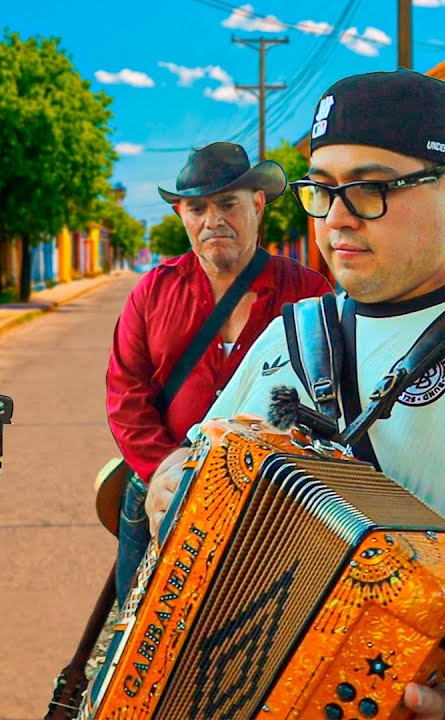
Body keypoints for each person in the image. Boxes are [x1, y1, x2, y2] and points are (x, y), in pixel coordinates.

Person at [143, 69, 445, 720]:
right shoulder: (289, 335)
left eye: (370, 189)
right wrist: (166, 485)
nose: (337, 219)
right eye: (323, 189)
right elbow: (199, 468)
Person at [105, 141, 330, 599]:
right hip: (165, 488)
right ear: (183, 216)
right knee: (135, 626)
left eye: (227, 203)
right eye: (196, 208)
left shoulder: (309, 292)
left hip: (272, 506)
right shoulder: (153, 292)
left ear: (258, 203)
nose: (212, 221)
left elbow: (334, 399)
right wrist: (163, 468)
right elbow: (126, 393)